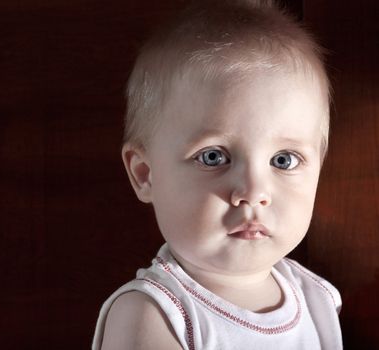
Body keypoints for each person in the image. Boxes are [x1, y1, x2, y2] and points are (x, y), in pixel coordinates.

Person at [92, 0, 342, 349]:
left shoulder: (318, 300)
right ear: (146, 173)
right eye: (213, 157)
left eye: (283, 160)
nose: (254, 191)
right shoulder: (154, 315)